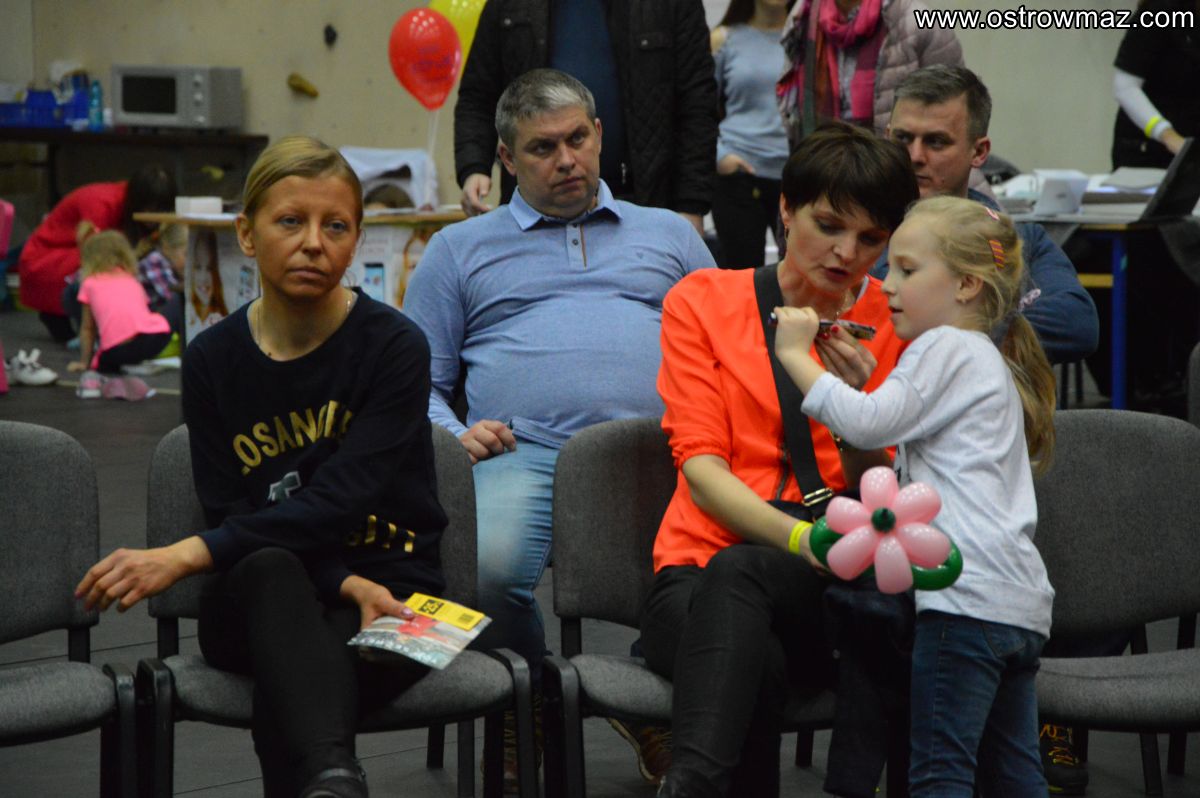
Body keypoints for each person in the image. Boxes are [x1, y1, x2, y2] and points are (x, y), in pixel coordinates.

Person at [74, 136, 447, 798]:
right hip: (259, 592)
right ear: (246, 234)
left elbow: (337, 502)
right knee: (275, 578)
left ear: (357, 241)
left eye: (336, 226)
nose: (314, 243)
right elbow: (237, 515)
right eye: (290, 221)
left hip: (399, 595)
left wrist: (187, 554)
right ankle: (336, 780)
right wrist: (338, 581)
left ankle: (331, 779)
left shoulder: (396, 348)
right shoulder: (213, 359)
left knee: (297, 680)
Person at [404, 68, 714, 788]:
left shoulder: (670, 233)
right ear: (507, 158)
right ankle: (532, 695)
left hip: (665, 452)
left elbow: (727, 347)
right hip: (525, 448)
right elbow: (414, 382)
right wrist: (452, 434)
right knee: (484, 570)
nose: (567, 159)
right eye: (543, 148)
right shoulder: (458, 249)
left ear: (600, 134)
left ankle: (643, 698)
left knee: (727, 574)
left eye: (578, 138)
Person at [643, 121, 916, 798]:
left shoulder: (898, 322)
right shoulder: (704, 301)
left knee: (747, 609)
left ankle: (689, 786)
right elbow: (701, 472)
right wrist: (800, 539)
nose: (846, 253)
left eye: (871, 239)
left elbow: (886, 495)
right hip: (701, 563)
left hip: (830, 583)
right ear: (786, 210)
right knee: (752, 655)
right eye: (829, 225)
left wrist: (853, 413)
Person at [773, 195, 1057, 797]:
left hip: (963, 602)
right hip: (1016, 604)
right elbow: (881, 429)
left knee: (938, 773)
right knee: (1014, 776)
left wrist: (796, 355)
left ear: (967, 286)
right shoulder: (982, 357)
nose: (887, 285)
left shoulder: (944, 346)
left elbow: (871, 422)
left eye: (906, 269)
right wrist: (854, 389)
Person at [874, 64, 1099, 366]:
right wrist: (999, 317)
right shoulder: (859, 233)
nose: (914, 156)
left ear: (979, 152)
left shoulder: (1020, 239)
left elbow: (1076, 324)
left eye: (936, 141)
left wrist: (940, 333)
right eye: (902, 139)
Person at [453, 0, 717, 237]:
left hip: (647, 201)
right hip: (536, 213)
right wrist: (474, 167)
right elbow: (478, 96)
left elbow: (698, 106)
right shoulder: (508, 4)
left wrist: (691, 204)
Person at [17, 164, 175, 342]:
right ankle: (66, 318)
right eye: (150, 208)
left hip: (70, 255)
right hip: (46, 260)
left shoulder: (126, 202)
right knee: (106, 266)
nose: (154, 216)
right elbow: (97, 253)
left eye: (161, 209)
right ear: (138, 200)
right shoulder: (101, 203)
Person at [776, 0, 962, 147]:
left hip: (896, 170)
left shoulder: (917, 20)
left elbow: (956, 112)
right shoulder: (804, 15)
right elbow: (793, 110)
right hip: (822, 165)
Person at [710, 0, 796, 269]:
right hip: (740, 175)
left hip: (795, 177)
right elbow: (696, 108)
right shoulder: (724, 39)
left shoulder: (807, 36)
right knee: (742, 278)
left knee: (797, 276)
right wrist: (720, 156)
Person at [65, 230, 172, 393]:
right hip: (153, 339)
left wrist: (84, 363)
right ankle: (135, 363)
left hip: (115, 351)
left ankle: (121, 364)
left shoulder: (90, 283)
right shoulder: (132, 280)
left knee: (106, 360)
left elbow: (88, 328)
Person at [1111, 0, 1200, 169]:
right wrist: (1167, 135)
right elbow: (1125, 88)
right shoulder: (1158, 12)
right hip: (1146, 150)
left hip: (1191, 150)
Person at [134, 221, 187, 335]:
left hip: (153, 317)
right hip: (143, 324)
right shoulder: (155, 261)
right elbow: (169, 293)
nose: (189, 261)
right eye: (186, 254)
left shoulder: (169, 263)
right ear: (167, 249)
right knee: (177, 301)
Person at [190, 227, 230, 329]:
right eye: (198, 267)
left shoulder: (219, 319)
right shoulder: (190, 313)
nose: (203, 278)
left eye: (209, 268)